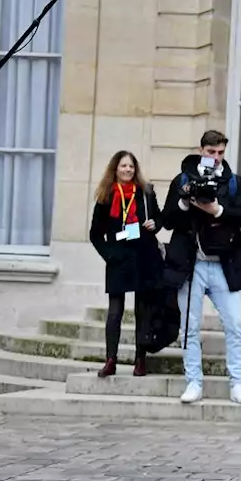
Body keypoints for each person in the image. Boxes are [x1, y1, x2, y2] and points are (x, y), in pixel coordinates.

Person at [162, 130, 241, 406]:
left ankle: (238, 382)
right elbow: (166, 220)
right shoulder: (182, 179)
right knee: (189, 327)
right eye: (211, 152)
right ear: (201, 150)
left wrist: (217, 210)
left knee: (235, 325)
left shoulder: (235, 183)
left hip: (223, 265)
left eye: (220, 153)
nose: (215, 158)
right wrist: (184, 201)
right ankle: (194, 381)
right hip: (191, 265)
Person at [89, 151, 164, 378]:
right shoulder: (106, 196)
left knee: (142, 310)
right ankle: (111, 359)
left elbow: (159, 219)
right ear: (115, 169)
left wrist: (155, 224)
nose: (128, 170)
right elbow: (95, 234)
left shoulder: (146, 193)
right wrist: (110, 256)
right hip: (119, 259)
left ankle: (140, 360)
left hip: (143, 255)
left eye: (131, 166)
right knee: (115, 311)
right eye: (123, 166)